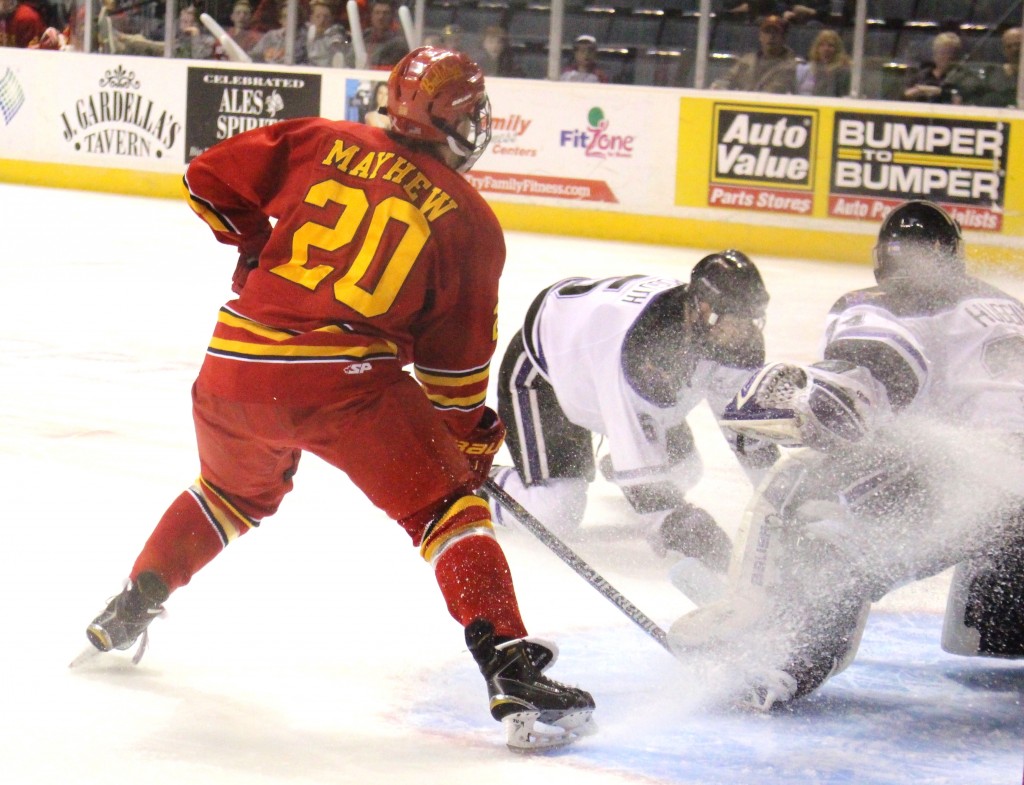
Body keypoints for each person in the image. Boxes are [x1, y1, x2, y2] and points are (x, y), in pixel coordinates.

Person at [82, 46, 595, 754]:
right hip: (343, 381)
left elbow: (206, 178)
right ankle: (511, 667)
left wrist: (255, 244)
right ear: (456, 118)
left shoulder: (321, 138)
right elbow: (455, 379)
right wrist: (466, 447)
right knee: (448, 510)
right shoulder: (469, 221)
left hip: (234, 364)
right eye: (474, 111)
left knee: (230, 493)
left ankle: (131, 603)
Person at [671, 200, 1024, 710]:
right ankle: (1005, 627)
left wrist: (807, 399)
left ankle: (781, 656)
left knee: (805, 497)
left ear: (884, 258)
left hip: (970, 489)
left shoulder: (883, 301)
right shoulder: (1004, 304)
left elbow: (878, 369)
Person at [487, 253, 778, 574]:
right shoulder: (644, 350)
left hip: (603, 369)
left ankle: (620, 463)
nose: (743, 333)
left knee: (685, 470)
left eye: (750, 320)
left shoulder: (725, 337)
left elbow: (744, 429)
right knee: (556, 512)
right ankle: (481, 482)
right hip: (549, 372)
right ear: (702, 308)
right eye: (734, 320)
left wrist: (783, 501)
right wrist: (674, 521)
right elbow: (649, 491)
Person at [711, 15, 798, 94]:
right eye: (767, 32)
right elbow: (725, 80)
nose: (771, 37)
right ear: (760, 36)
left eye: (775, 32)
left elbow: (774, 92)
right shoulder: (747, 61)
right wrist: (720, 88)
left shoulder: (790, 66)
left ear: (784, 37)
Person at [902, 31, 982, 105]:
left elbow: (962, 100)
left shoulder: (966, 78)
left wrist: (938, 92)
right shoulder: (922, 76)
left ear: (956, 56)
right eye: (941, 52)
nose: (945, 57)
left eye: (949, 53)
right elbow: (905, 95)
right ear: (934, 54)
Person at [973, 26, 1021, 108]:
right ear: (1004, 50)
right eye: (1009, 46)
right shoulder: (991, 75)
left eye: (1018, 44)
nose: (1014, 49)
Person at [796, 28, 851, 97]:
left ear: (837, 49)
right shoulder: (806, 70)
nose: (826, 49)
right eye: (822, 45)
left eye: (830, 45)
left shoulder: (843, 73)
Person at [303, 0, 348, 67]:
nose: (322, 20)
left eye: (326, 17)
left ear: (332, 19)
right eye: (318, 16)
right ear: (311, 18)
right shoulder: (305, 33)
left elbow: (338, 52)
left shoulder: (336, 33)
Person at [363, 0, 407, 68]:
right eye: (377, 13)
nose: (381, 17)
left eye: (385, 13)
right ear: (371, 16)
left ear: (391, 17)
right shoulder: (364, 36)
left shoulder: (399, 43)